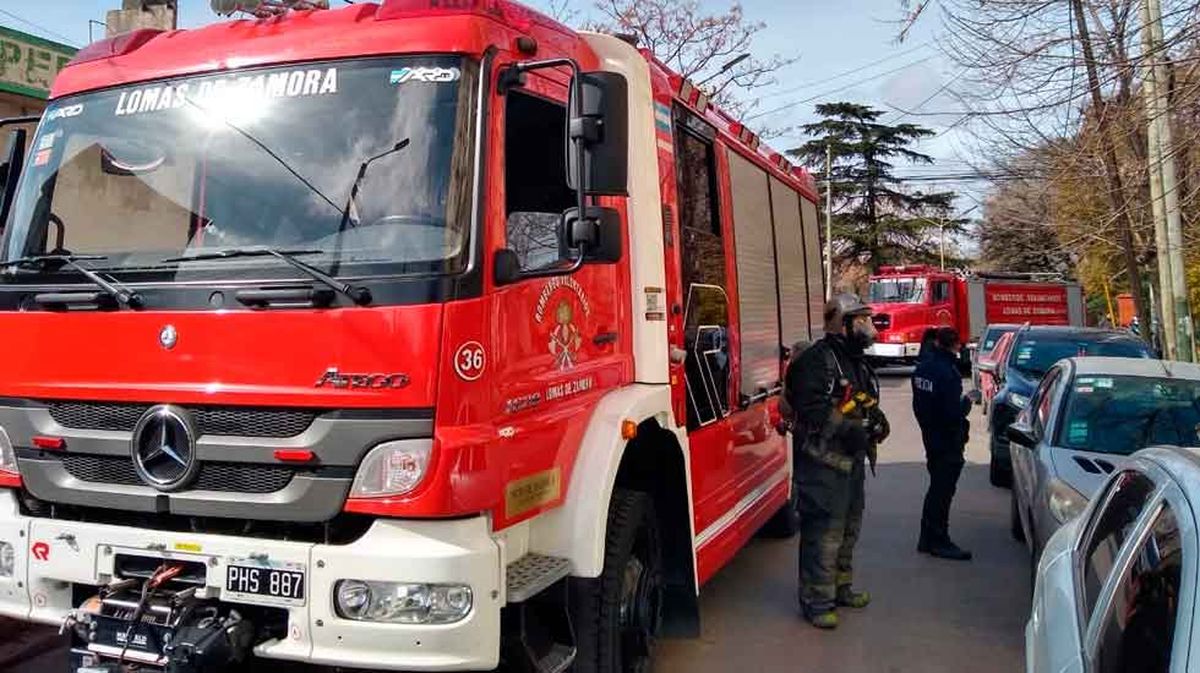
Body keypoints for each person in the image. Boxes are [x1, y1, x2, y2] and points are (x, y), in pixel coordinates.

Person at [785, 293, 890, 629]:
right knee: (823, 534)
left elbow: (862, 399)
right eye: (861, 321)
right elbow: (810, 408)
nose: (868, 327)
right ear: (841, 324)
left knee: (847, 530)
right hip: (821, 465)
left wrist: (877, 422)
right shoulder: (815, 361)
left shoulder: (854, 359)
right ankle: (817, 603)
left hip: (850, 463)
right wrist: (848, 430)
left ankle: (840, 589)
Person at [911, 327, 973, 561]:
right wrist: (967, 403)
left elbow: (919, 406)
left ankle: (927, 538)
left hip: (931, 436)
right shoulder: (948, 373)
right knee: (943, 492)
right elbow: (952, 412)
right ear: (955, 346)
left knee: (936, 488)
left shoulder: (922, 369)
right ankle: (939, 540)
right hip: (947, 440)